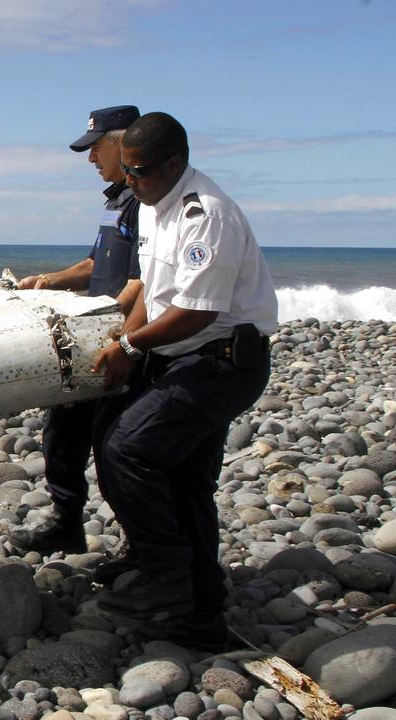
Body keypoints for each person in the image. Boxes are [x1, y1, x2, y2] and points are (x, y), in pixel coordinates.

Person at [91, 112, 277, 648]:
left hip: (221, 362)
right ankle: (202, 614)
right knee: (179, 479)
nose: (129, 182)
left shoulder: (206, 216)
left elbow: (196, 311)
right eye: (125, 171)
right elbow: (153, 286)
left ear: (175, 164)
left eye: (140, 172)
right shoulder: (154, 203)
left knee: (130, 450)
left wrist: (129, 345)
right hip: (181, 356)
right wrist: (128, 342)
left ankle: (165, 573)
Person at [9, 105, 145, 554]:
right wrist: (46, 281)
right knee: (62, 431)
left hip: (123, 340)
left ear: (124, 144)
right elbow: (94, 265)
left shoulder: (147, 203)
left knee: (115, 446)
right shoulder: (115, 202)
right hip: (94, 335)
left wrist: (119, 337)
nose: (90, 160)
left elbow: (145, 281)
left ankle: (138, 542)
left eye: (95, 149)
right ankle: (66, 521)